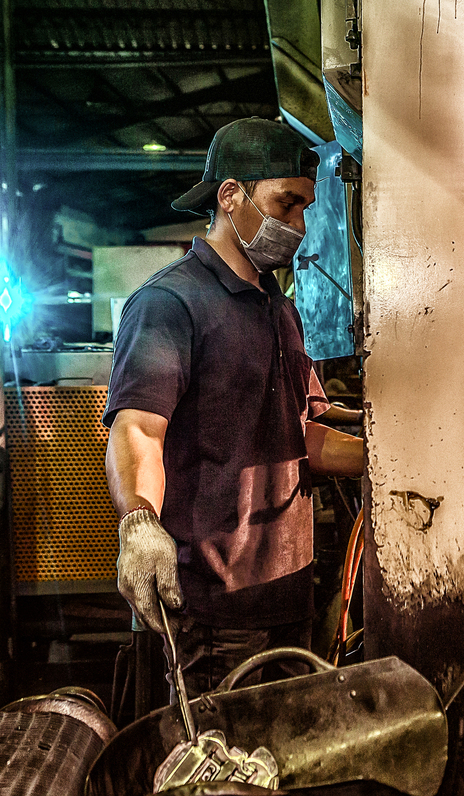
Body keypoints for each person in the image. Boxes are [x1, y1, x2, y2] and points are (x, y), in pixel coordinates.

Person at [104, 116, 365, 693]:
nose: (298, 225)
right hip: (209, 612)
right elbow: (138, 428)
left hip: (288, 600)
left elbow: (302, 436)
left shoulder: (281, 309)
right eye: (286, 203)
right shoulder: (170, 303)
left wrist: (395, 460)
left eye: (304, 208)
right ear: (230, 196)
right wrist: (139, 521)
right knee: (215, 751)